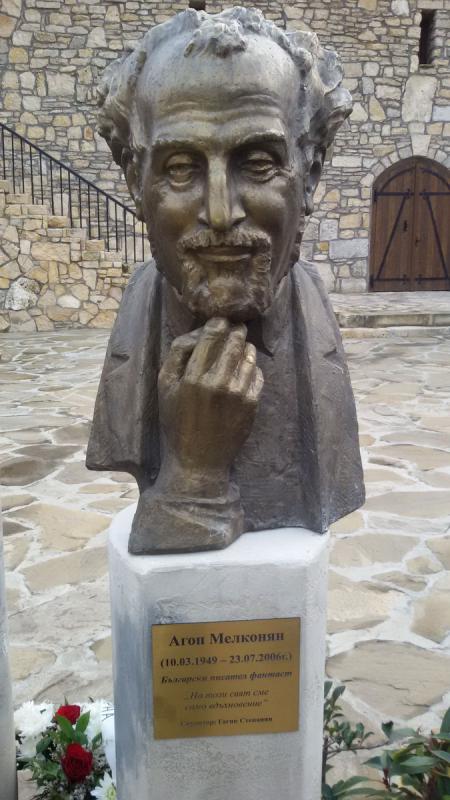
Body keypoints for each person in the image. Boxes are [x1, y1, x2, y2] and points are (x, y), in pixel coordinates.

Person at [86, 7, 365, 554]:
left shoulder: (317, 332)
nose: (219, 212)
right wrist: (192, 478)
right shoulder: (135, 329)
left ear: (309, 172)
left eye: (257, 163)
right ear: (135, 182)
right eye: (180, 168)